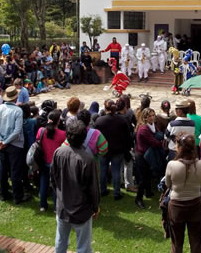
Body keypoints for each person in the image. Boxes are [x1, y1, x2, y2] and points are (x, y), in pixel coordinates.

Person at [52, 119, 100, 253]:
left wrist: (60, 196)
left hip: (66, 207)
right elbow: (93, 189)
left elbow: (53, 180)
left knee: (61, 242)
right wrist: (95, 207)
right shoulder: (86, 159)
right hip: (79, 210)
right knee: (81, 247)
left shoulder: (59, 152)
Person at [0, 86, 30, 204]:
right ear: (16, 97)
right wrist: (4, 141)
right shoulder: (17, 110)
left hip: (1, 143)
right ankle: (18, 196)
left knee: (3, 169)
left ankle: (4, 194)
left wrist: (0, 140)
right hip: (14, 144)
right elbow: (17, 131)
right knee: (15, 170)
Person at [165, 133, 201, 253]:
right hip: (195, 205)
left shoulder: (171, 165)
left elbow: (168, 184)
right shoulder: (200, 164)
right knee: (196, 241)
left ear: (179, 147)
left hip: (177, 206)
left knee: (177, 242)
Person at [95, 99, 132, 200]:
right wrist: (127, 148)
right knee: (116, 171)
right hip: (117, 150)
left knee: (103, 170)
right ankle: (116, 192)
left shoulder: (99, 120)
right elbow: (127, 136)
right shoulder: (122, 120)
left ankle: (103, 190)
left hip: (104, 150)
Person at [36, 109, 66, 212]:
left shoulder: (41, 130)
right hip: (56, 163)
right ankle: (56, 207)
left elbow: (37, 140)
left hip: (44, 161)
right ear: (58, 121)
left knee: (44, 182)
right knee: (55, 185)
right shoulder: (62, 134)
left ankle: (42, 205)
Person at [134, 107, 163, 209]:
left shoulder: (153, 126)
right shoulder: (143, 129)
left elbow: (159, 135)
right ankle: (138, 199)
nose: (152, 117)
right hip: (141, 155)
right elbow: (154, 141)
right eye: (150, 116)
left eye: (153, 115)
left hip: (148, 154)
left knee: (148, 175)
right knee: (143, 178)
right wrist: (161, 142)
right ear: (145, 118)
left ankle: (148, 192)